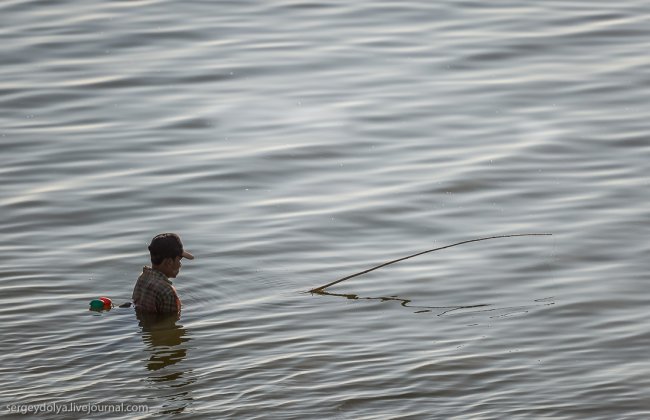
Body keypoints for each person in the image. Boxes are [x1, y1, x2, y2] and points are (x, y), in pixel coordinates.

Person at [132, 233, 194, 314]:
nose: (180, 265)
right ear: (169, 262)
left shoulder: (143, 277)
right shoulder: (167, 291)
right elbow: (172, 320)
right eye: (179, 260)